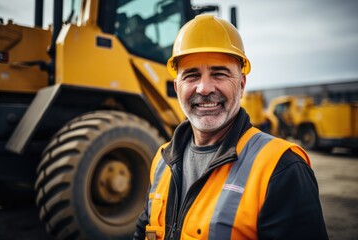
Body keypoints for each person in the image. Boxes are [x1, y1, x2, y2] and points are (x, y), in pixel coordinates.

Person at [134, 14, 328, 240]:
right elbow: (143, 231)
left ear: (242, 84)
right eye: (192, 75)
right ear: (177, 87)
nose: (204, 88)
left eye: (219, 73)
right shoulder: (162, 160)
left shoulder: (281, 167)